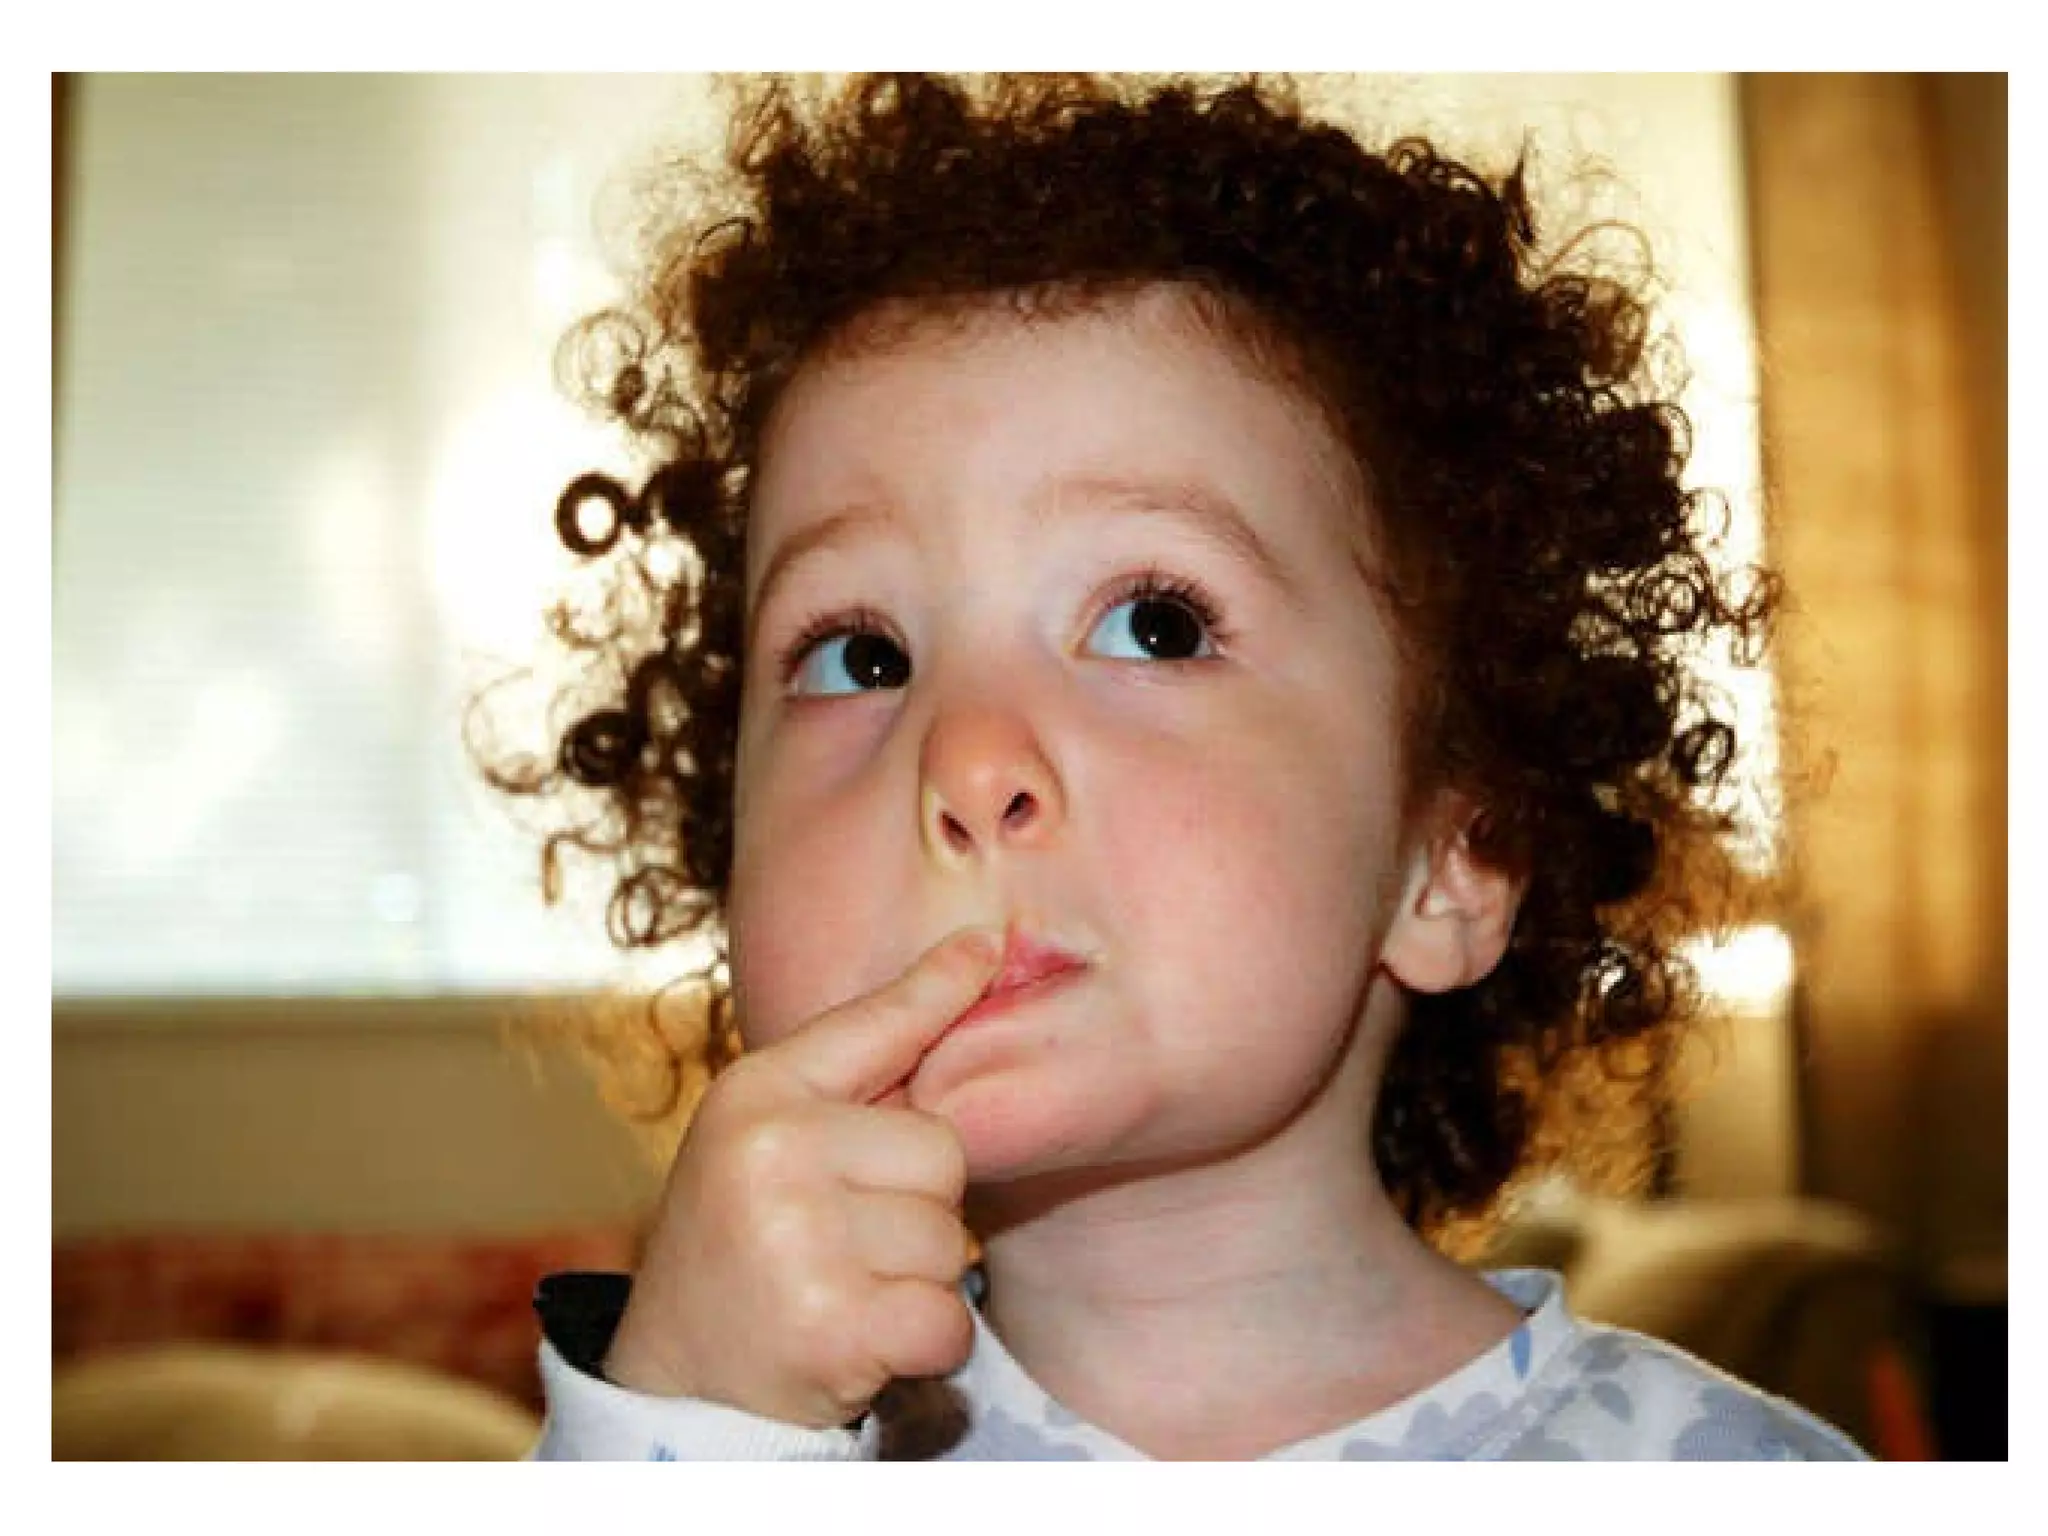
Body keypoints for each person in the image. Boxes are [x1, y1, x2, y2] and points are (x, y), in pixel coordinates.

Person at [488, 72, 1865, 1460]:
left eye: (1156, 624)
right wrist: (686, 1423)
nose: (966, 757)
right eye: (861, 655)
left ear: (1449, 865)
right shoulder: (722, 1445)